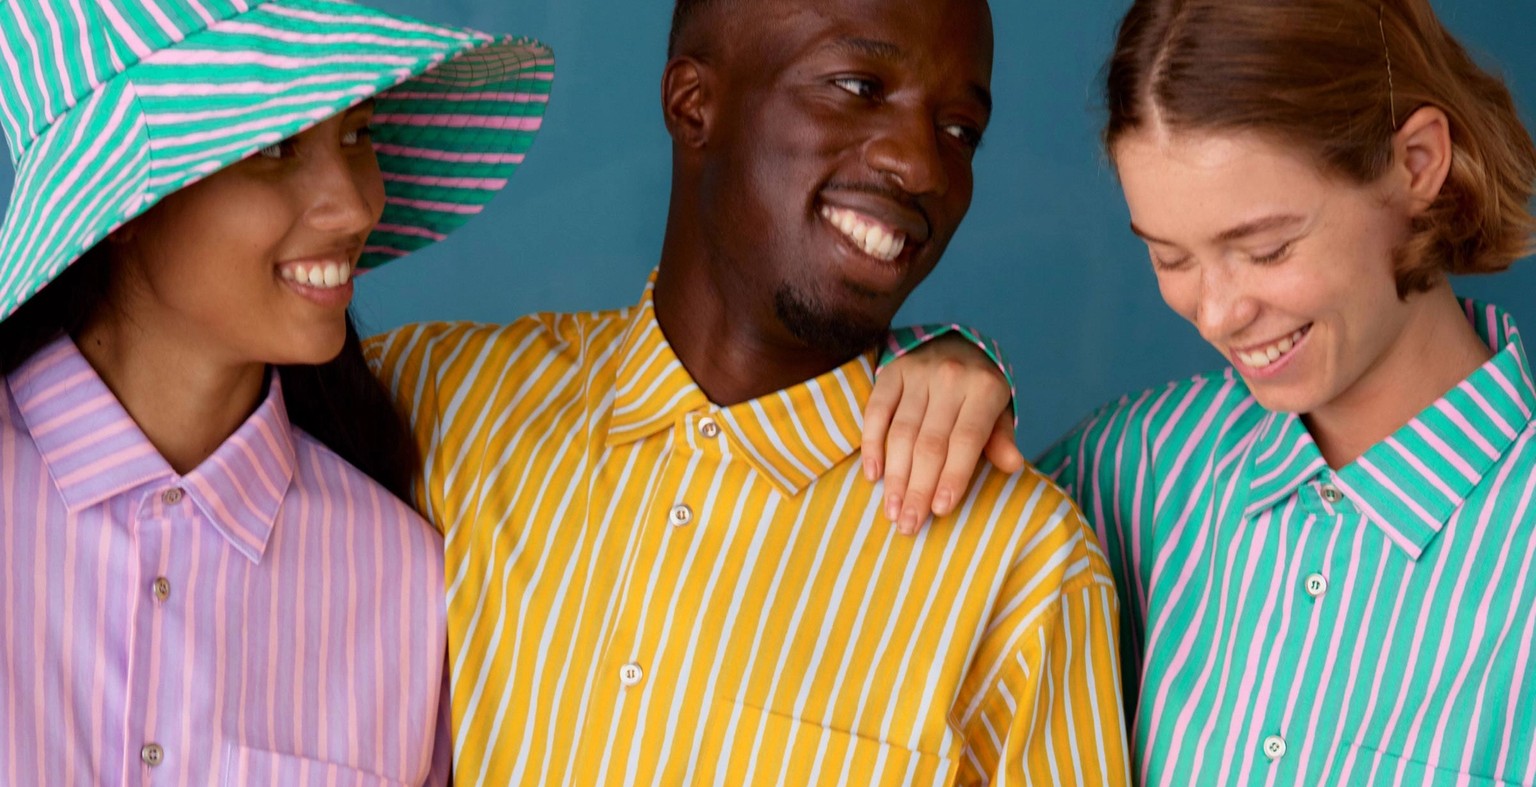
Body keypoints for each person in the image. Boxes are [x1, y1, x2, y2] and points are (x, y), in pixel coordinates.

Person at [366, 0, 1129, 783]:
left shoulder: (1024, 565)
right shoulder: (431, 399)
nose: (922, 166)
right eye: (860, 86)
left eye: (960, 131)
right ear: (694, 103)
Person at [910, 0, 1536, 783]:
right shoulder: (1127, 470)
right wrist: (944, 369)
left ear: (1415, 164)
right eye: (1172, 259)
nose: (1217, 312)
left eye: (1266, 249)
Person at [0, 0, 554, 782]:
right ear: (120, 207)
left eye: (357, 134)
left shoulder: (404, 581)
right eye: (274, 145)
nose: (356, 205)